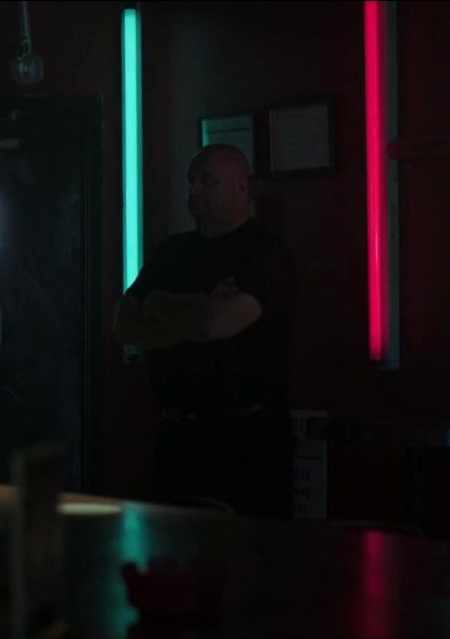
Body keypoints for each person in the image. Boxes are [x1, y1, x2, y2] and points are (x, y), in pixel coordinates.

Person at [113, 144, 296, 518]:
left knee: (245, 547)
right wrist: (198, 311)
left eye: (207, 181)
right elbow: (125, 325)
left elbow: (219, 322)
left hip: (246, 442)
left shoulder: (267, 253)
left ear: (241, 187)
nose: (194, 190)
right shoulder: (171, 252)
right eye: (191, 181)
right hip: (176, 439)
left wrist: (159, 304)